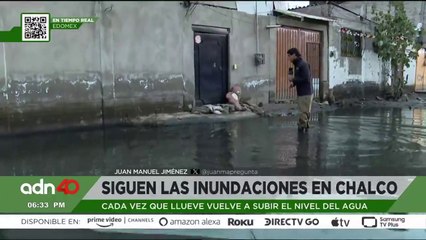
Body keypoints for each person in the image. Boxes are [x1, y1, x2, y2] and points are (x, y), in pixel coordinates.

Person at [287, 48, 313, 132]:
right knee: (304, 112)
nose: (288, 58)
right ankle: (304, 127)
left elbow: (306, 78)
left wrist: (293, 80)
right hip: (303, 92)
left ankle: (302, 132)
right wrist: (293, 83)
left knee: (303, 112)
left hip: (305, 93)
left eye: (289, 56)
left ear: (294, 55)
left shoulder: (302, 64)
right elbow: (300, 78)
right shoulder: (297, 65)